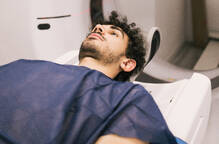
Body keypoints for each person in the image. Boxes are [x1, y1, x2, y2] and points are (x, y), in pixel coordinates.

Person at [0, 11, 178, 144]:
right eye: (97, 28)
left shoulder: (127, 96)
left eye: (114, 33)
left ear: (127, 64)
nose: (98, 27)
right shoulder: (30, 66)